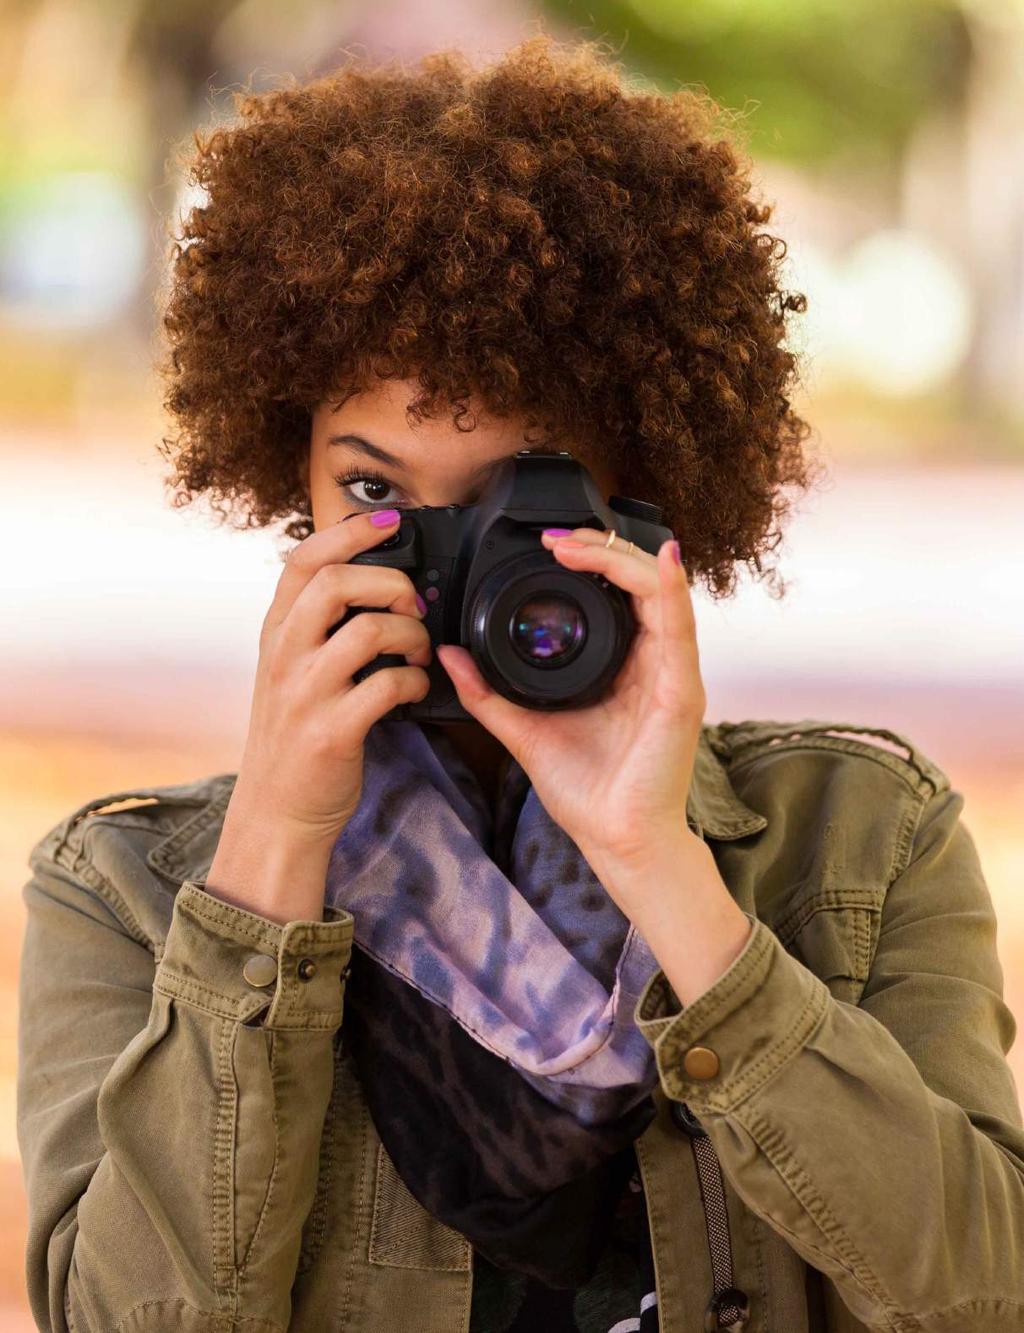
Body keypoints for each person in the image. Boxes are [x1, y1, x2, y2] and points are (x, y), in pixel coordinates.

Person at [16, 32, 1024, 1333]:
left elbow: (983, 1301)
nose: (451, 568)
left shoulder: (869, 837)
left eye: (513, 501)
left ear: (640, 503)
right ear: (292, 487)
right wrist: (271, 850)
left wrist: (663, 868)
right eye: (375, 493)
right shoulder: (126, 895)